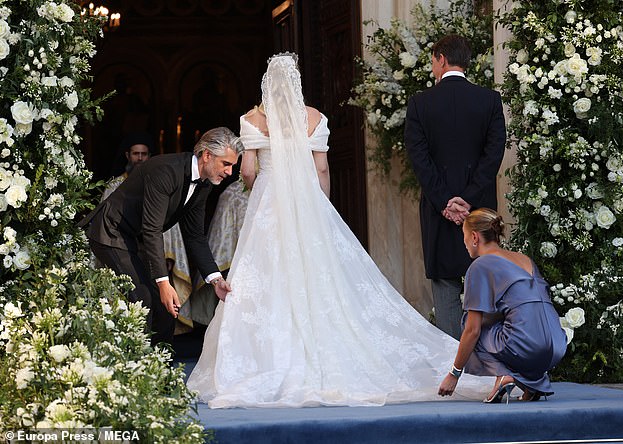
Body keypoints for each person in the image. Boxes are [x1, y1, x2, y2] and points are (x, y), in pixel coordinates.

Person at [186, 53, 493, 408]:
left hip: (269, 203)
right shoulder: (314, 118)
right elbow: (322, 171)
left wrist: (260, 188)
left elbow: (250, 171)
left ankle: (272, 358)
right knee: (322, 278)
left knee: (268, 276)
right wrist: (320, 210)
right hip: (308, 200)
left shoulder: (252, 119)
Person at [79, 127, 243, 346]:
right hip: (111, 233)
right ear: (207, 155)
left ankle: (161, 371)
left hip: (135, 238)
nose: (230, 172)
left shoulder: (203, 185)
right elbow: (152, 229)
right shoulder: (166, 170)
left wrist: (215, 280)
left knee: (166, 310)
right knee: (145, 299)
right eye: (226, 164)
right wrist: (163, 283)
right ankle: (134, 367)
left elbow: (195, 236)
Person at [404, 34, 506, 340]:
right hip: (481, 208)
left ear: (440, 59)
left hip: (440, 211)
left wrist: (446, 201)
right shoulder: (489, 100)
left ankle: (451, 360)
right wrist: (469, 199)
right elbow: (494, 154)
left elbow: (419, 158)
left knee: (445, 282)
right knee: (485, 278)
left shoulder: (420, 103)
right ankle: (487, 355)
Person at [438, 208, 567, 403]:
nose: (463, 243)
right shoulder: (524, 259)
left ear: (474, 237)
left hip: (526, 345)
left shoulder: (480, 266)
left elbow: (472, 331)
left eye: (463, 236)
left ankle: (504, 375)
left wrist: (454, 374)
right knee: (505, 320)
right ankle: (530, 384)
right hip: (556, 344)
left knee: (470, 324)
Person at [101, 132, 152, 201]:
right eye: (135, 153)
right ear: (128, 156)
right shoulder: (115, 185)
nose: (140, 158)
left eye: (144, 154)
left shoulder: (155, 182)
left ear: (149, 156)